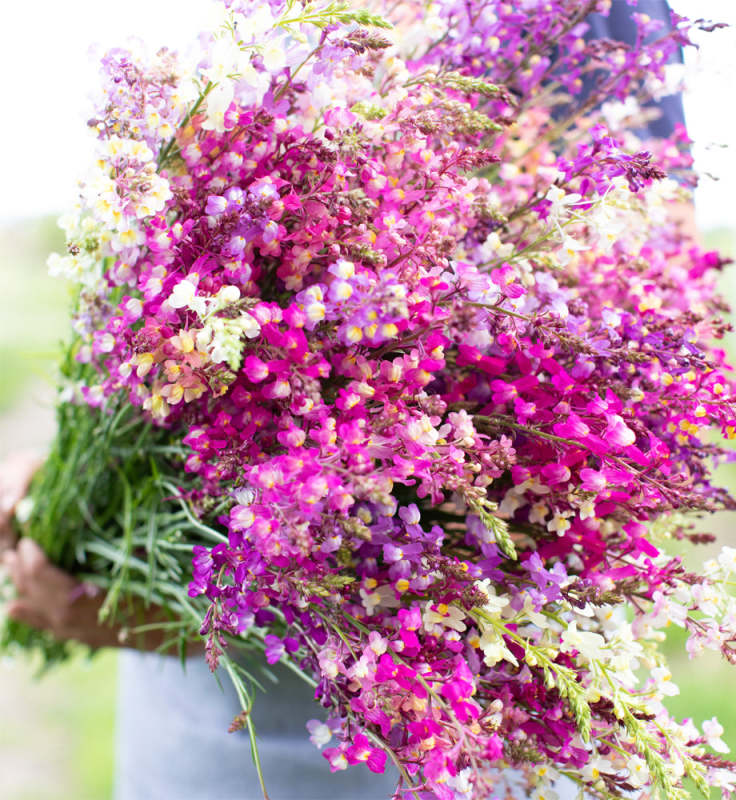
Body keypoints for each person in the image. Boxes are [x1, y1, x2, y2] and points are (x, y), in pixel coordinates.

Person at [1, 3, 692, 799]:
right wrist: (69, 495)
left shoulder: (596, 18)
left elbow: (643, 367)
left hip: (407, 717)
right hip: (208, 711)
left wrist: (193, 624)